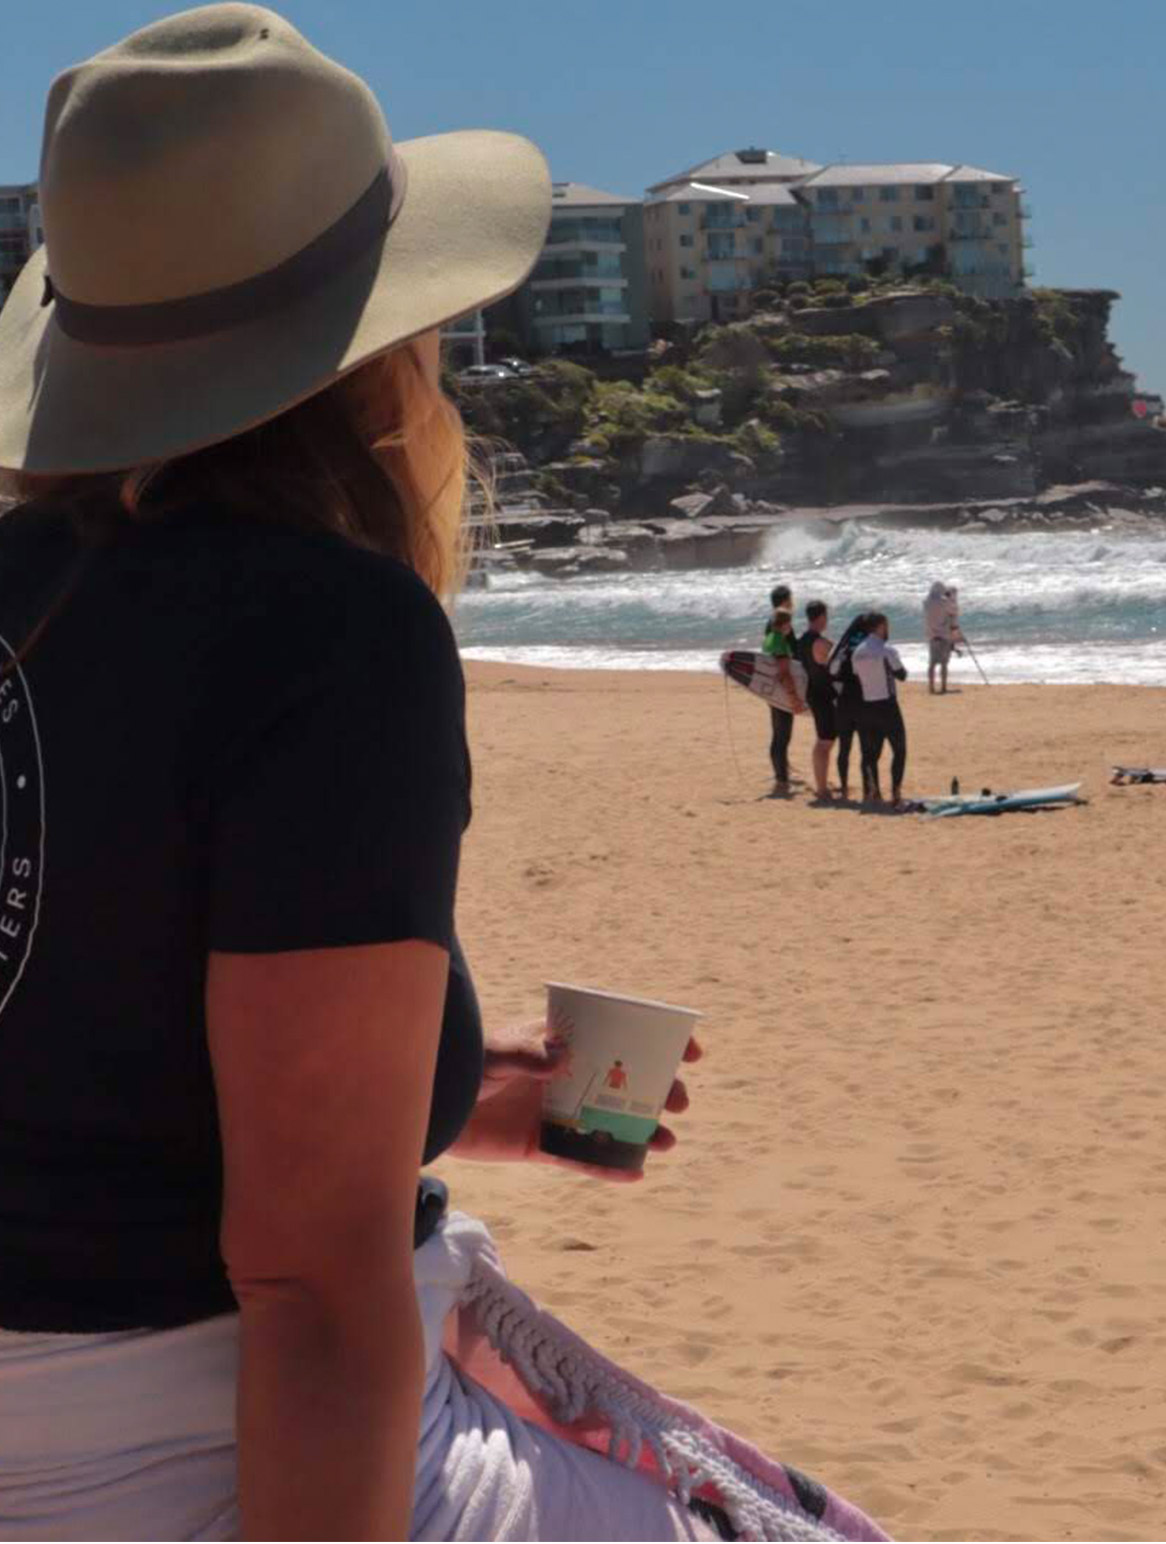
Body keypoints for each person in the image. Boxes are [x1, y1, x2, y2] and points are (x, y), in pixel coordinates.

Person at [0, 10, 798, 1541]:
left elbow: (77, 1029)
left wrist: (458, 1095)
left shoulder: (36, 587)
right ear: (381, 343)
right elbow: (307, 1282)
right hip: (188, 1446)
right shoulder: (319, 627)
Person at [852, 613, 909, 805]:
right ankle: (896, 793)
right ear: (881, 626)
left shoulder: (857, 652)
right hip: (887, 706)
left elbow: (857, 676)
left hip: (866, 706)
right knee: (899, 750)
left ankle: (874, 793)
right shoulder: (887, 651)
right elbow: (902, 675)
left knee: (871, 754)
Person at [826, 611, 872, 800]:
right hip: (862, 701)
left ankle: (844, 788)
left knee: (844, 749)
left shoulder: (842, 646)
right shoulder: (866, 645)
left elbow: (831, 672)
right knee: (866, 749)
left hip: (844, 702)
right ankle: (867, 790)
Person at [761, 603, 805, 794]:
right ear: (785, 624)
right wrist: (794, 697)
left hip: (771, 692)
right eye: (789, 623)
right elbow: (784, 672)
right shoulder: (779, 641)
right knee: (782, 737)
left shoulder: (769, 638)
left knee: (777, 735)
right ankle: (781, 780)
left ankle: (781, 776)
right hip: (781, 692)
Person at [796, 599, 837, 799]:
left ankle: (821, 783)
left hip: (813, 692)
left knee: (823, 740)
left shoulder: (802, 641)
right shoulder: (819, 642)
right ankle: (821, 788)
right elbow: (839, 657)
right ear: (821, 617)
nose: (827, 620)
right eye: (826, 617)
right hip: (823, 695)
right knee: (825, 742)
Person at [924, 580, 959, 695]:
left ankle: (931, 687)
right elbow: (954, 611)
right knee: (944, 663)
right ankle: (943, 687)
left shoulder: (926, 602)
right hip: (944, 635)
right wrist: (952, 598)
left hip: (932, 636)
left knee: (932, 663)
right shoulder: (944, 602)